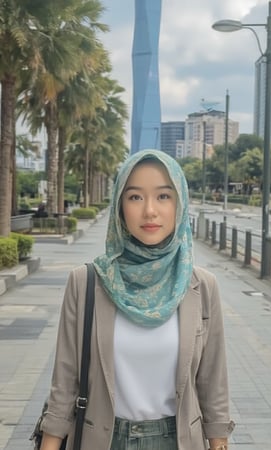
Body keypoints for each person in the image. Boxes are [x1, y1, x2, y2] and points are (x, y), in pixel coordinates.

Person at [40, 149, 234, 450]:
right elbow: (65, 383)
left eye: (163, 196)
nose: (150, 211)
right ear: (119, 206)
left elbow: (213, 386)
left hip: (179, 440)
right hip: (103, 440)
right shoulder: (86, 282)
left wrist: (219, 443)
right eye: (134, 197)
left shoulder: (202, 286)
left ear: (179, 203)